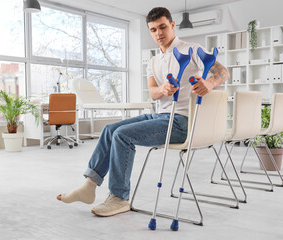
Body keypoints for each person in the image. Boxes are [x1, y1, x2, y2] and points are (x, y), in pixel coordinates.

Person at [57, 7, 229, 217]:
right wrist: (163, 89)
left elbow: (223, 72)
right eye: (153, 29)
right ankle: (89, 185)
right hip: (160, 116)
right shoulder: (154, 61)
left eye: (163, 27)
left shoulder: (192, 50)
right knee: (110, 129)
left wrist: (209, 83)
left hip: (182, 121)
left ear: (173, 25)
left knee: (122, 135)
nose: (159, 33)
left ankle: (119, 198)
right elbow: (153, 92)